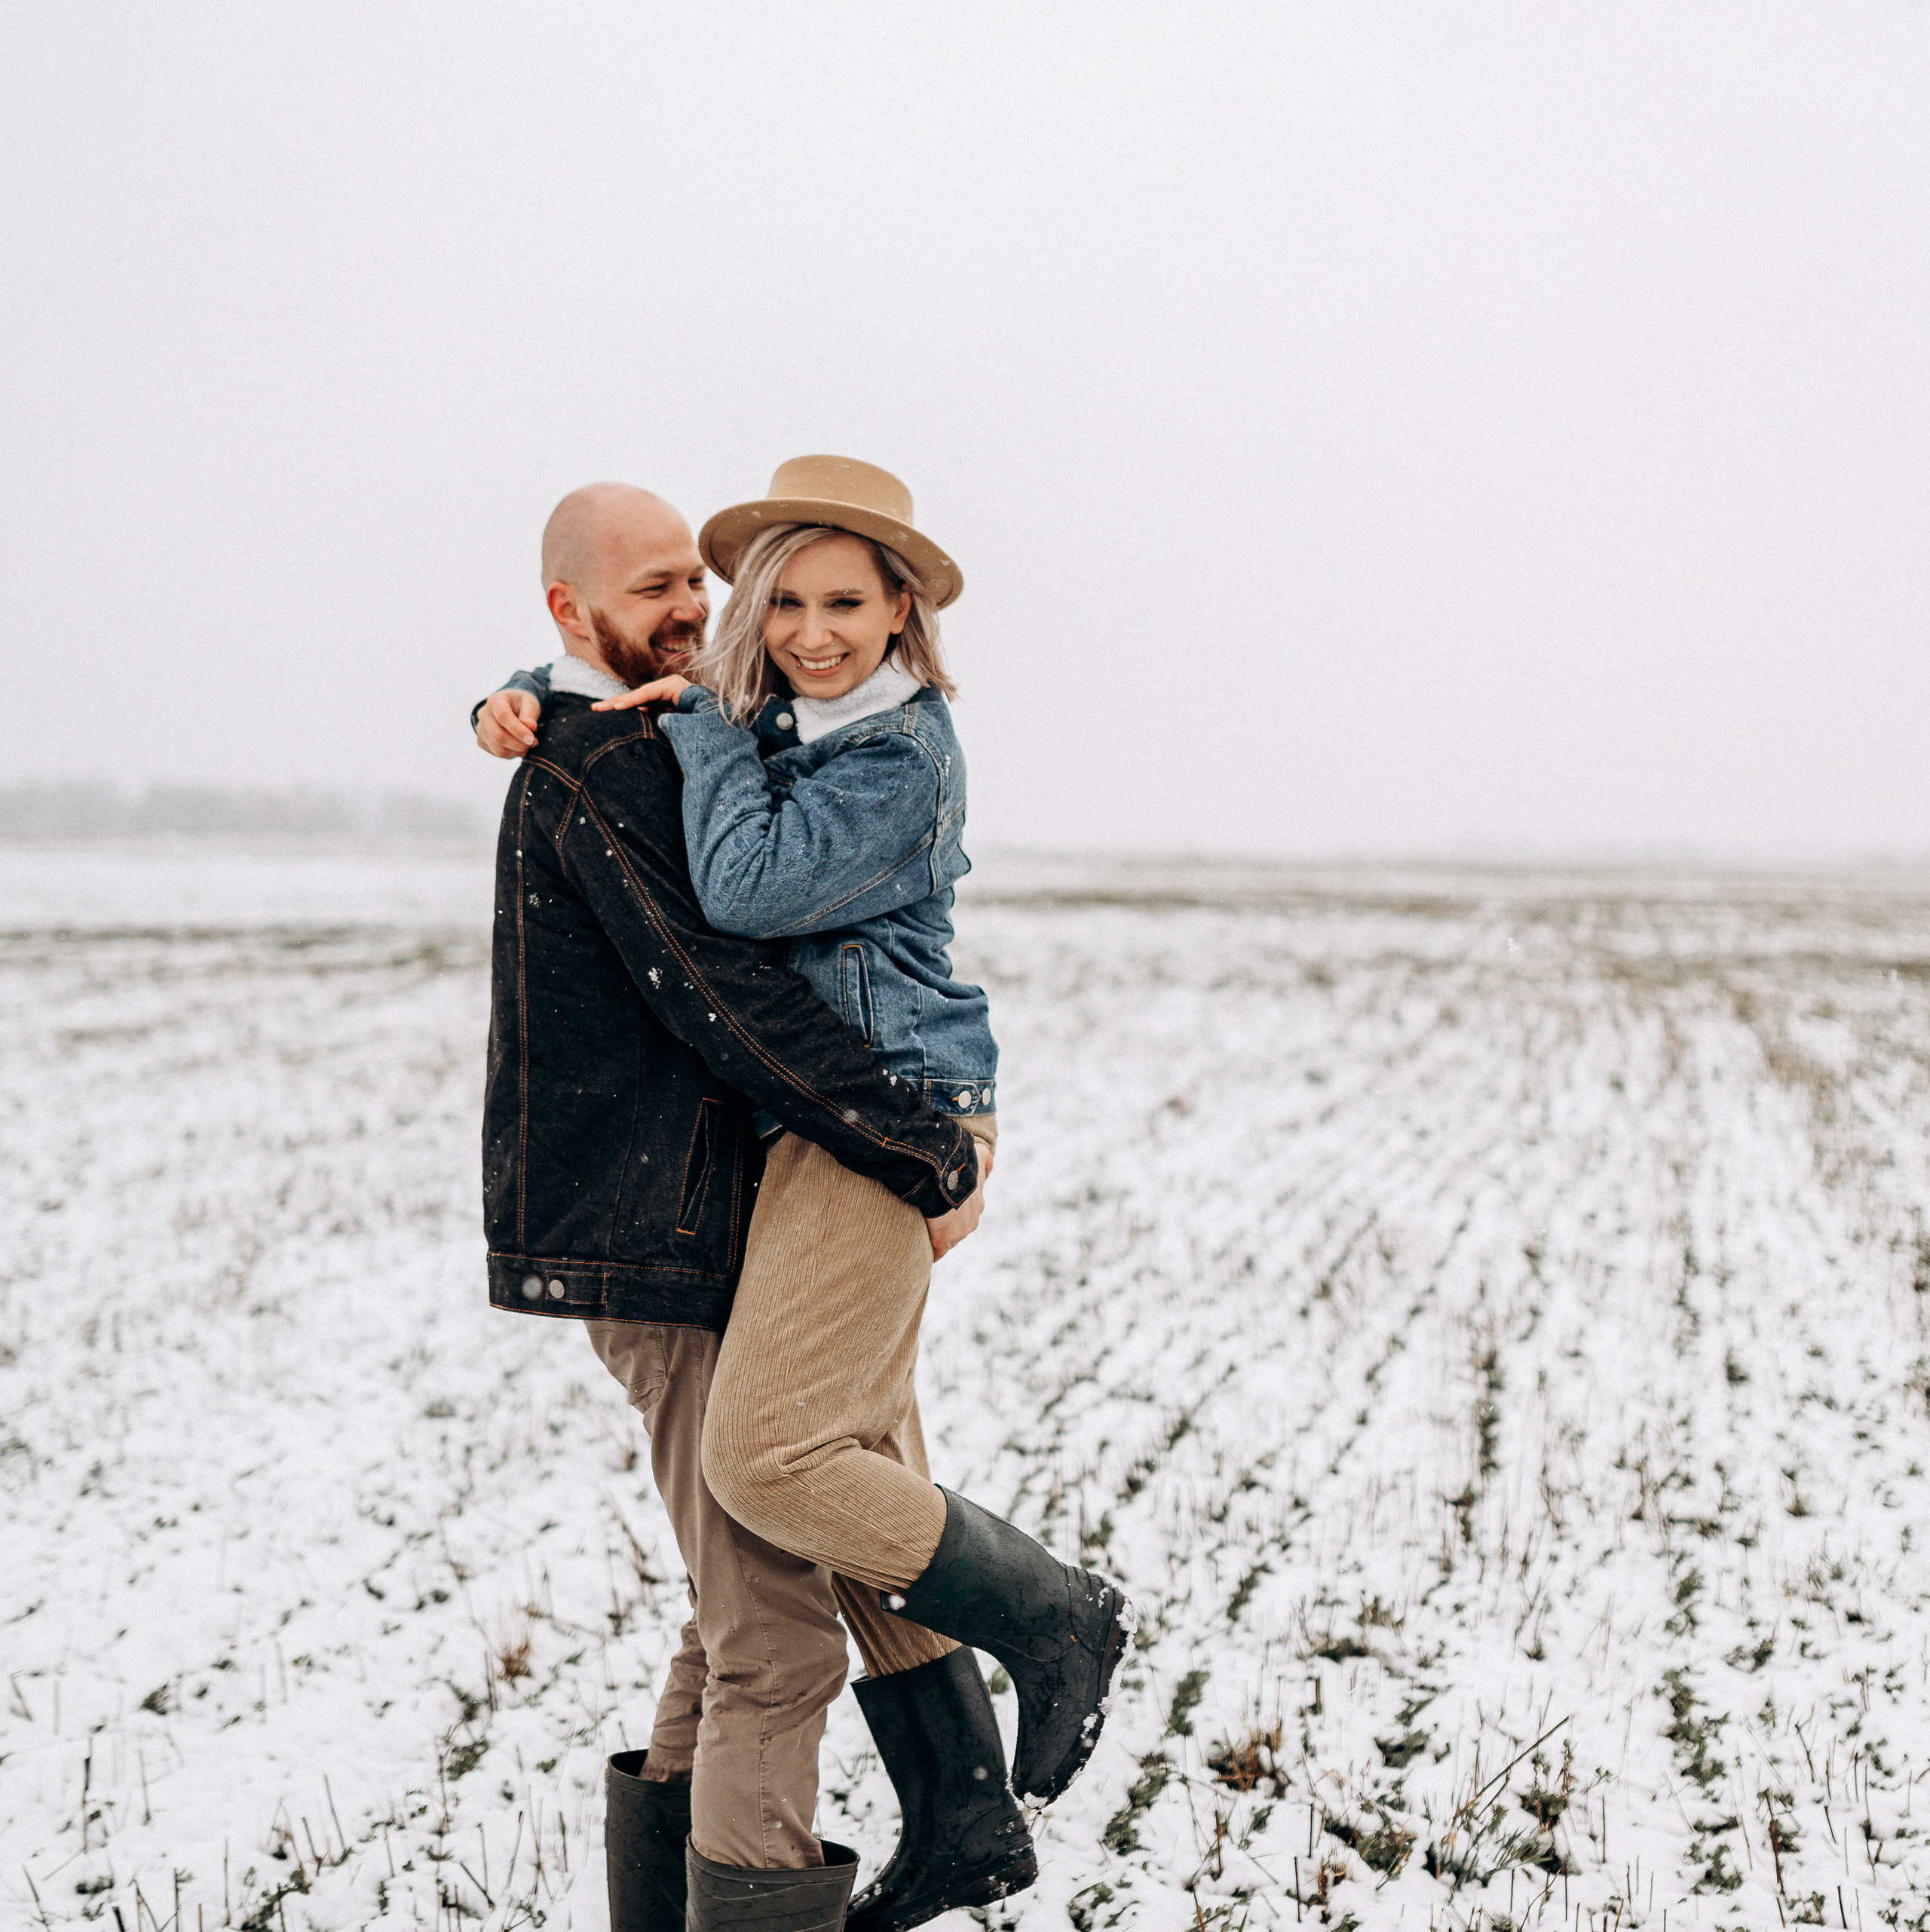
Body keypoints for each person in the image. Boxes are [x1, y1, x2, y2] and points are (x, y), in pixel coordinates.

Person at [478, 458, 1133, 1932]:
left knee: (782, 1520)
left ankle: (1029, 1666)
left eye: (702, 585)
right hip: (748, 1171)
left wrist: (921, 1143)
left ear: (903, 609)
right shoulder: (640, 741)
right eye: (772, 598)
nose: (722, 615)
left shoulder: (866, 745)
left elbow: (747, 910)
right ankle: (977, 1785)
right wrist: (521, 697)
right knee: (783, 1556)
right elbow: (719, 953)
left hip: (868, 1112)